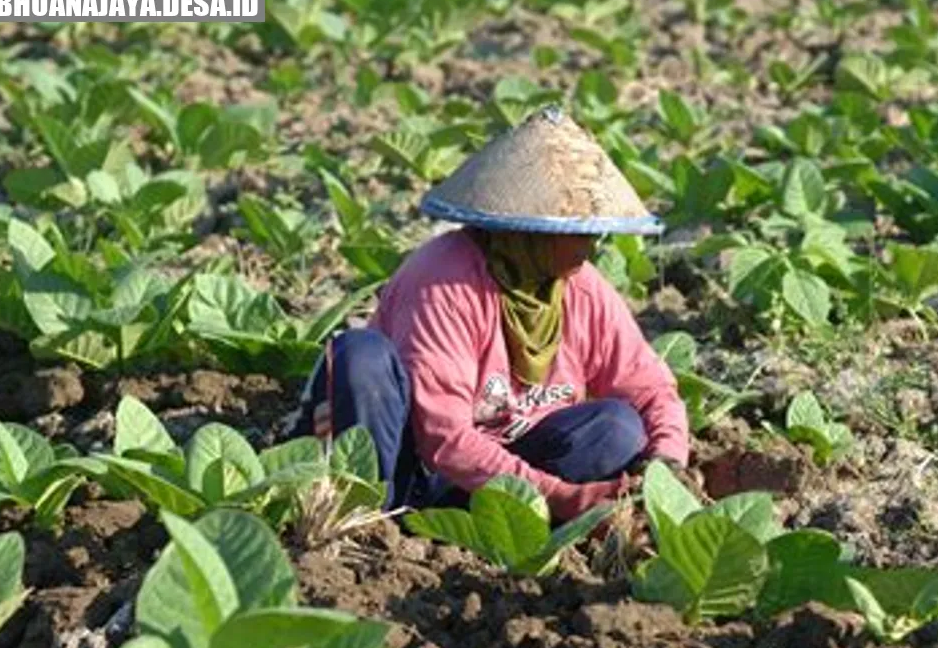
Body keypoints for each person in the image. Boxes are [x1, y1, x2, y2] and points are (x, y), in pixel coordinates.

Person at [286, 107, 689, 522]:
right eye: (579, 233)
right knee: (361, 357)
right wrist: (557, 497)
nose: (591, 246)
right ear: (529, 234)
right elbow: (442, 437)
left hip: (485, 476)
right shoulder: (445, 281)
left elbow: (651, 387)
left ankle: (470, 519)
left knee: (616, 427)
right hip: (409, 462)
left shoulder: (578, 287)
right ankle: (369, 517)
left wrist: (666, 462)